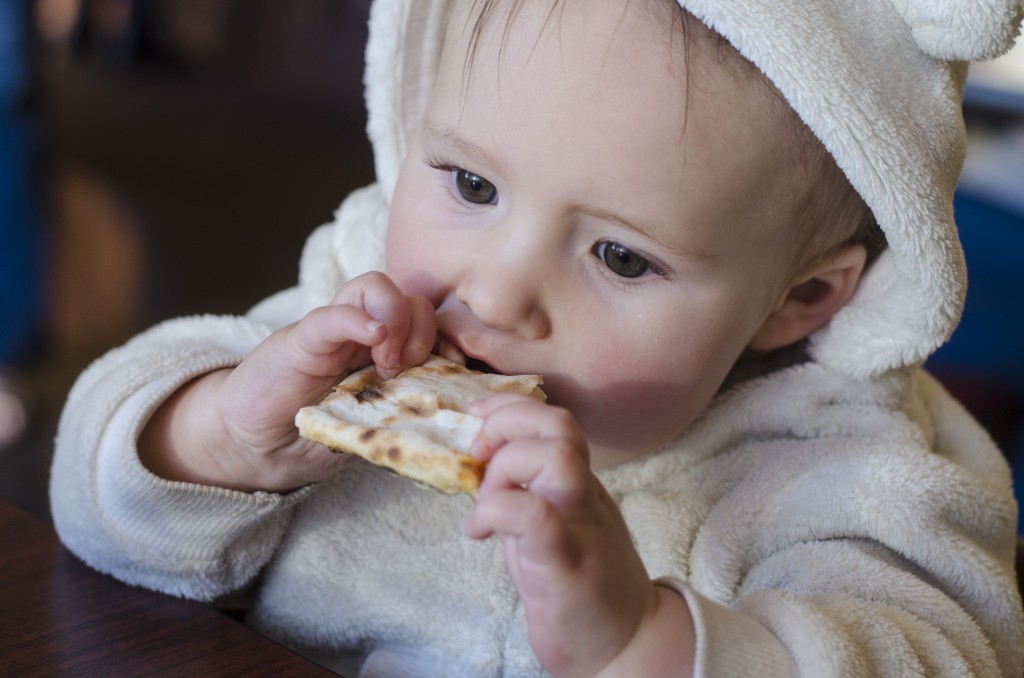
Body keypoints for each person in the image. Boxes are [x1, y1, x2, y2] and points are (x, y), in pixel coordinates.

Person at [50, 0, 1024, 675]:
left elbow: (945, 655)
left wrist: (639, 645)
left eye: (620, 256)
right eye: (471, 186)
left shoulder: (846, 467)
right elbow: (93, 514)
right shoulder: (353, 322)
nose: (498, 293)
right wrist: (213, 437)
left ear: (799, 300)